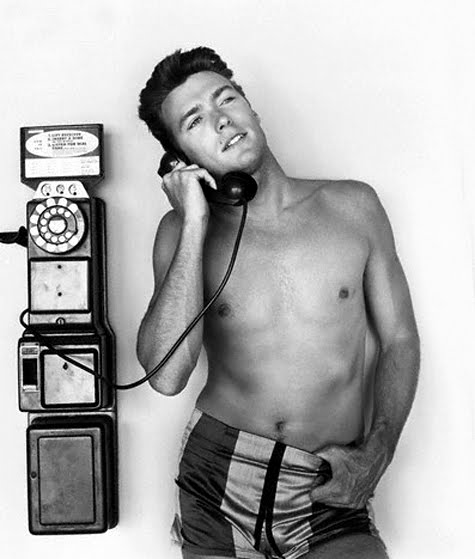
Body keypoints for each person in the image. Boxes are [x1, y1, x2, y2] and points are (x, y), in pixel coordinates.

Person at [136, 47, 420, 559]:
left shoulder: (354, 207)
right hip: (216, 478)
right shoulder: (179, 234)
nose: (221, 121)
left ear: (252, 108)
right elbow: (166, 375)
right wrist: (194, 221)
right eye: (195, 120)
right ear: (179, 158)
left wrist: (379, 451)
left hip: (327, 482)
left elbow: (399, 338)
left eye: (226, 99)